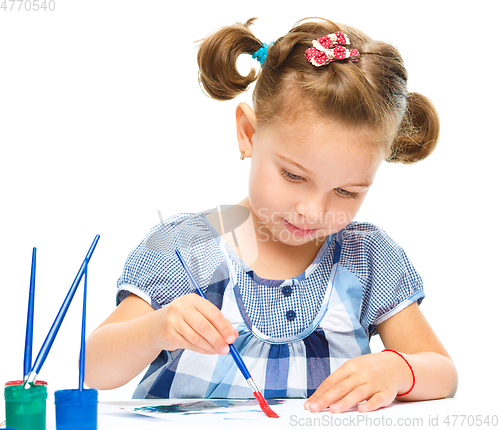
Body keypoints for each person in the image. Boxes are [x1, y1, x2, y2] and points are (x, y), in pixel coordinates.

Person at [85, 17, 458, 413]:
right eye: (293, 175)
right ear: (249, 133)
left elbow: (443, 373)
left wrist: (397, 370)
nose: (312, 210)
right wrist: (155, 330)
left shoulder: (365, 259)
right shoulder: (191, 246)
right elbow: (92, 368)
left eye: (346, 191)